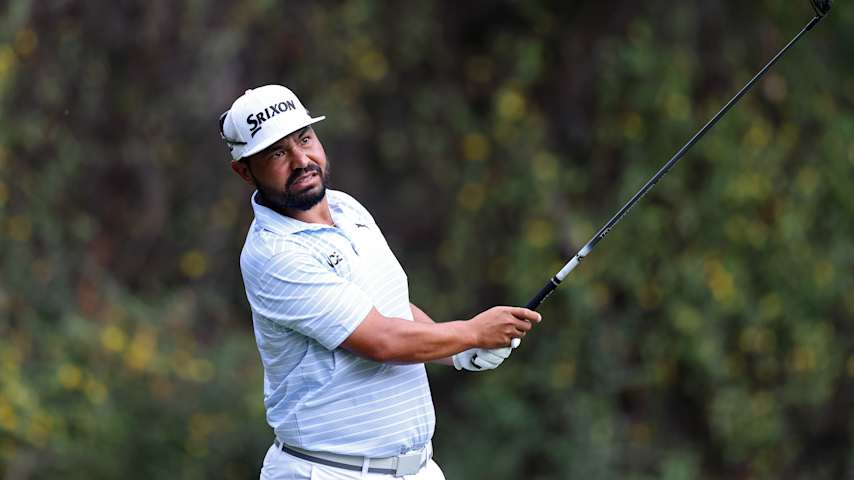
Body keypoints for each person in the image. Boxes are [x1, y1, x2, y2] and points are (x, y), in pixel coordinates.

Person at [219, 84, 542, 480]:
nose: (302, 160)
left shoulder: (347, 207)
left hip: (417, 469)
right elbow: (381, 341)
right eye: (277, 153)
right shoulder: (273, 254)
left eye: (304, 139)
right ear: (244, 171)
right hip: (327, 472)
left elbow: (391, 310)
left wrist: (455, 350)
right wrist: (471, 333)